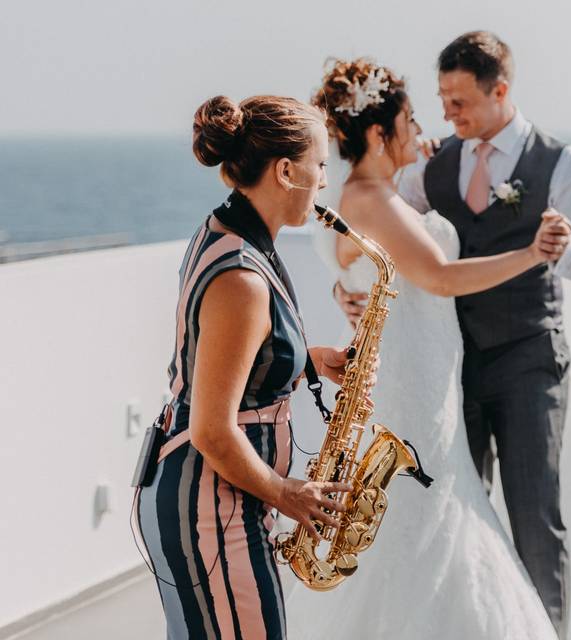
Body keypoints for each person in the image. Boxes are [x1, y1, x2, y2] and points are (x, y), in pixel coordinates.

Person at [331, 32, 571, 637]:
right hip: (447, 371)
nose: (447, 115)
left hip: (527, 356)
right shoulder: (430, 165)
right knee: (454, 511)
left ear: (500, 90)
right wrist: (347, 291)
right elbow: (366, 237)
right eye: (440, 101)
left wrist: (560, 252)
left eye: (459, 102)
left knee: (535, 516)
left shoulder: (561, 162)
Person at [284, 58, 568, 639]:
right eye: (408, 121)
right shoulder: (367, 198)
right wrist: (533, 255)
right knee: (418, 515)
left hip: (426, 368)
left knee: (433, 509)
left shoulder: (379, 194)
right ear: (376, 134)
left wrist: (348, 287)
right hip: (407, 378)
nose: (420, 129)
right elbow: (438, 276)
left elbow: (371, 267)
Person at [132, 94, 355, 640]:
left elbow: (234, 353)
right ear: (285, 171)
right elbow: (212, 429)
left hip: (216, 496)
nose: (325, 181)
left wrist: (309, 359)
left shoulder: (232, 231)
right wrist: (287, 493)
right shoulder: (241, 277)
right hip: (211, 505)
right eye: (320, 165)